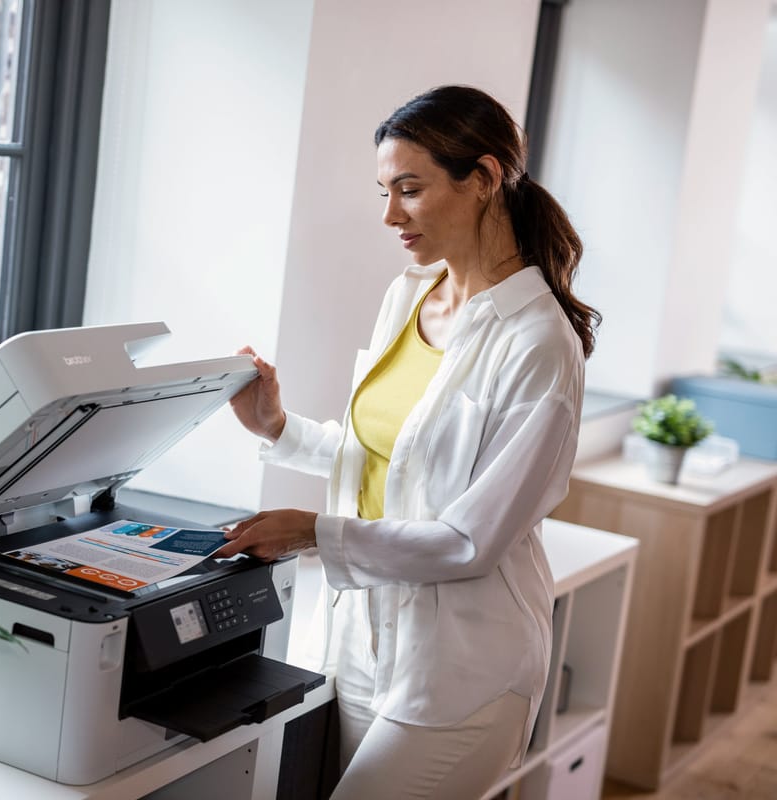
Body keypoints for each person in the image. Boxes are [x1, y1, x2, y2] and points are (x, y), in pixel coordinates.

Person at [216, 85, 600, 799]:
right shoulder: (411, 296)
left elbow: (467, 540)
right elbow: (399, 465)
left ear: (483, 178)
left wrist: (312, 532)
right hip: (353, 643)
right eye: (386, 190)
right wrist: (278, 428)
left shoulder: (539, 342)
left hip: (462, 671)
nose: (390, 214)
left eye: (410, 190)